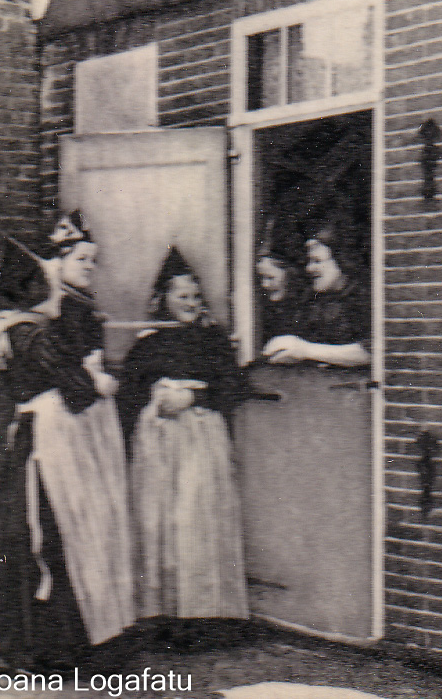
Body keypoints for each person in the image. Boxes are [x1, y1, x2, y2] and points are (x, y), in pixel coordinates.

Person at [0, 213, 134, 672]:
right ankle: (50, 646)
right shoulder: (31, 332)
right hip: (50, 444)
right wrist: (99, 382)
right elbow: (75, 386)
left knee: (44, 534)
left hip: (47, 436)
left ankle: (52, 642)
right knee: (52, 533)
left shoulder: (17, 330)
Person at [119, 247, 249, 636]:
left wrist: (192, 397)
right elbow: (129, 393)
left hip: (199, 436)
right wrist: (149, 410)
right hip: (157, 442)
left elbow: (234, 386)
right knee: (159, 518)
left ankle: (205, 614)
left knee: (196, 516)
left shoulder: (212, 341)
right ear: (164, 300)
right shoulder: (148, 343)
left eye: (195, 297)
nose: (191, 304)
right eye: (182, 297)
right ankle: (162, 612)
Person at [262, 221, 371, 367]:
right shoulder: (312, 301)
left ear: (343, 262)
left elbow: (371, 353)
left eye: (317, 261)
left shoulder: (364, 298)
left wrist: (306, 350)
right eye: (309, 261)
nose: (309, 268)